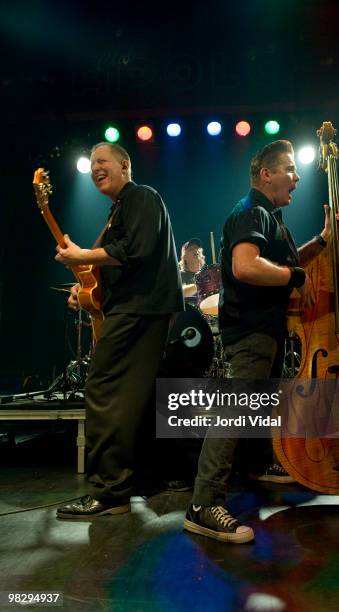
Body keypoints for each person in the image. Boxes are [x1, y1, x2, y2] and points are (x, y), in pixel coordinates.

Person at [183, 139, 339, 543]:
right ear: (266, 174)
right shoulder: (252, 211)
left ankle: (257, 466)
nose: (297, 177)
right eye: (289, 169)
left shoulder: (270, 217)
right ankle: (203, 504)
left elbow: (286, 265)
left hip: (267, 330)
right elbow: (244, 266)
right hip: (251, 330)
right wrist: (296, 277)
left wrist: (323, 240)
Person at [54, 142, 184, 519]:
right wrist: (85, 291)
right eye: (91, 163)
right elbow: (116, 265)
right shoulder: (120, 210)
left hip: (141, 309)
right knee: (129, 397)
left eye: (102, 161)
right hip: (136, 307)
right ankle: (132, 482)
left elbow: (135, 250)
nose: (95, 168)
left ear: (125, 165)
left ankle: (109, 493)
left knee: (104, 389)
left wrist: (82, 256)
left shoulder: (141, 197)